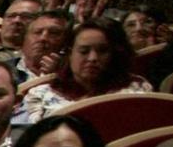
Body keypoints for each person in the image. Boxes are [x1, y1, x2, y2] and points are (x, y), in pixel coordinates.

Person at [23, 19, 152, 121]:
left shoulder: (137, 88)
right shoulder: (41, 94)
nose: (93, 58)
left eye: (102, 51)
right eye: (84, 51)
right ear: (70, 54)